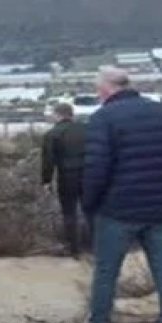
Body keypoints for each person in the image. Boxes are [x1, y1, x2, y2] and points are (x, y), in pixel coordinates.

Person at [75, 69, 162, 323]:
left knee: (107, 272)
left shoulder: (103, 119)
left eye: (98, 89)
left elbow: (96, 169)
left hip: (118, 210)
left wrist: (89, 204)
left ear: (106, 89)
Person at [41, 102, 90, 256]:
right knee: (91, 211)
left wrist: (46, 181)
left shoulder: (52, 134)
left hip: (67, 176)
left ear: (57, 115)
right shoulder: (87, 130)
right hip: (90, 175)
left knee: (69, 212)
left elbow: (48, 161)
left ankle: (74, 249)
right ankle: (94, 246)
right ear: (72, 114)